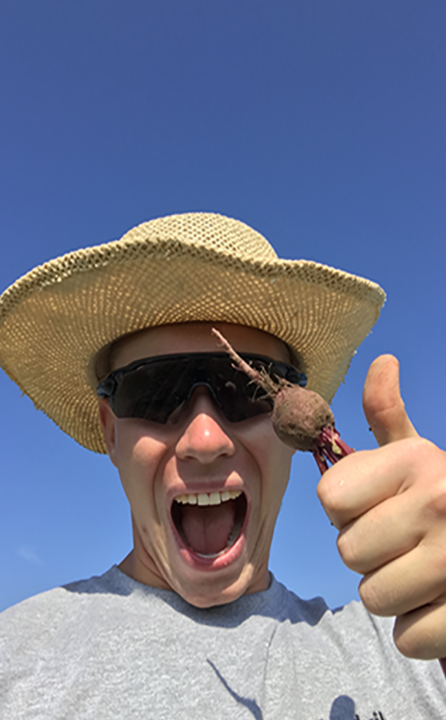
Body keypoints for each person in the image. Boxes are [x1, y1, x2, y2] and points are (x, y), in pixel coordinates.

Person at [0, 212, 444, 719]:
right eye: (153, 392)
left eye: (250, 391)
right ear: (110, 430)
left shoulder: (413, 648)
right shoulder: (13, 665)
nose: (205, 440)